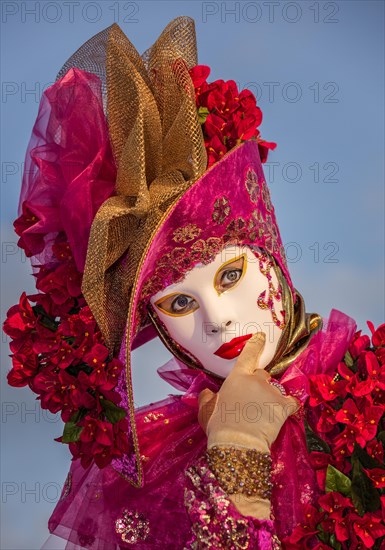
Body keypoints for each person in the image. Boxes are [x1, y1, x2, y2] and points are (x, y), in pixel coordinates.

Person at [4, 16, 384, 550]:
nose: (219, 318)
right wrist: (234, 459)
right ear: (155, 324)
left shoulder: (374, 389)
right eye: (180, 302)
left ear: (270, 254)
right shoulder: (157, 474)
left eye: (230, 274)